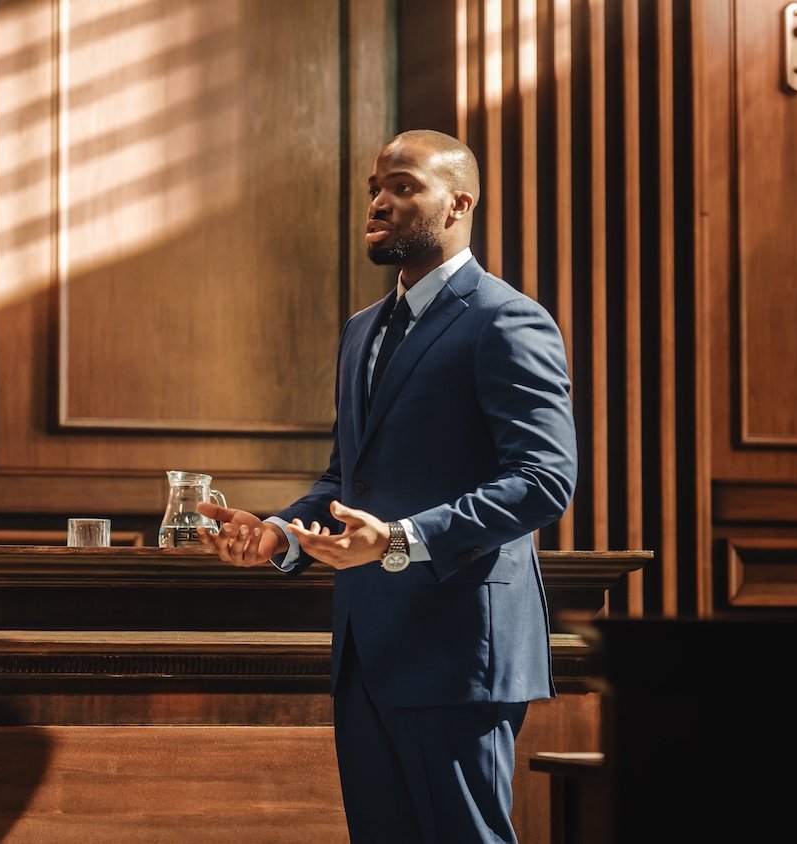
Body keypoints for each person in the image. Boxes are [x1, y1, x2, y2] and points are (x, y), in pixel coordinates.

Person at [198, 129, 578, 843]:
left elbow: (544, 480)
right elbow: (347, 478)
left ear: (459, 204)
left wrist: (401, 539)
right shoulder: (362, 331)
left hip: (459, 650)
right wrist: (278, 534)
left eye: (403, 187)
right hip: (366, 647)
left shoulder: (506, 319)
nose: (379, 202)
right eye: (376, 188)